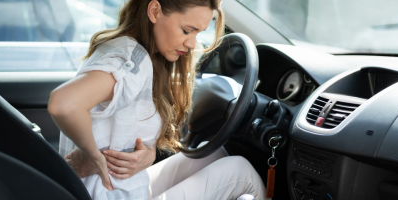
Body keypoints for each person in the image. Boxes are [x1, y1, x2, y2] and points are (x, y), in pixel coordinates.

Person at [48, 0, 268, 199]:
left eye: (197, 34)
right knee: (242, 172)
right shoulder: (132, 60)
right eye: (187, 30)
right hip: (109, 194)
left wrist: (149, 154)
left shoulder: (130, 50)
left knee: (216, 153)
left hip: (125, 188)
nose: (192, 44)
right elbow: (63, 104)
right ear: (154, 11)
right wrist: (94, 157)